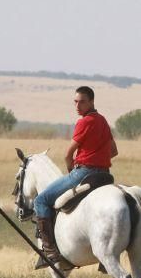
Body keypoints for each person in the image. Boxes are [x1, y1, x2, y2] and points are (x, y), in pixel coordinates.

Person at [33, 86, 117, 268]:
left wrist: (73, 170)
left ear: (92, 102)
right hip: (104, 175)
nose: (78, 105)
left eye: (82, 101)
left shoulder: (84, 122)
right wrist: (98, 158)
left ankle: (49, 251)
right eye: (75, 101)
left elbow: (67, 154)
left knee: (41, 200)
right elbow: (114, 151)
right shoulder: (103, 121)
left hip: (84, 172)